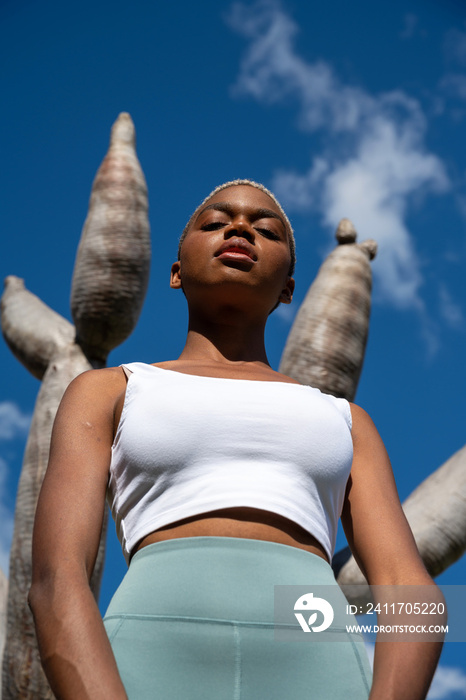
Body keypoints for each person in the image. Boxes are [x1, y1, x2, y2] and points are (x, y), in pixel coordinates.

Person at [29, 180, 444, 700]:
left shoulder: (346, 421)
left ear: (289, 288)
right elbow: (55, 577)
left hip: (319, 658)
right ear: (176, 273)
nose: (241, 228)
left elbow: (413, 592)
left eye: (266, 229)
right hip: (147, 654)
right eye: (215, 222)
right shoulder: (108, 391)